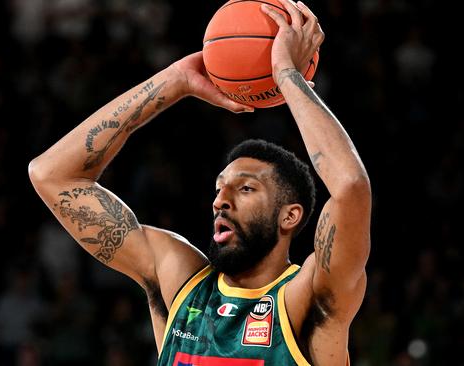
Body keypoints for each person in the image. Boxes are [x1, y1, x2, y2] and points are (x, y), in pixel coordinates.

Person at [28, 0, 371, 364]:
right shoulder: (180, 283)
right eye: (219, 187)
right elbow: (52, 175)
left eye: (246, 188)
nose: (221, 200)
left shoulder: (307, 297)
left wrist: (286, 74)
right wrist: (175, 80)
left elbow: (350, 188)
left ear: (289, 216)